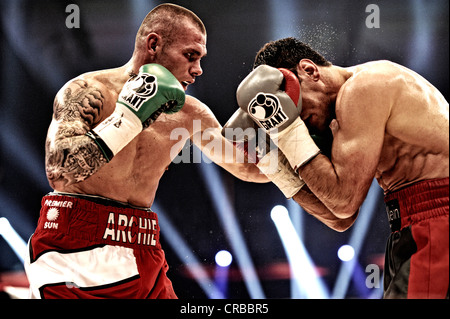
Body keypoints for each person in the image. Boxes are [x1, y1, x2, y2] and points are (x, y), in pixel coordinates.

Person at [24, 3, 267, 299]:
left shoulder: (190, 113)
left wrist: (295, 135)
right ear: (153, 44)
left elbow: (247, 167)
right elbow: (60, 171)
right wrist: (129, 117)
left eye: (200, 59)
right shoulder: (89, 91)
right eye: (190, 56)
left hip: (144, 244)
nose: (198, 69)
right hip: (76, 243)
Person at [225, 37, 449, 298]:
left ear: (309, 71)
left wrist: (284, 130)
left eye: (295, 110)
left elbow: (344, 202)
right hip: (414, 223)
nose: (299, 125)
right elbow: (340, 218)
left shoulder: (365, 87)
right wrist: (272, 163)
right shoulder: (339, 121)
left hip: (437, 220)